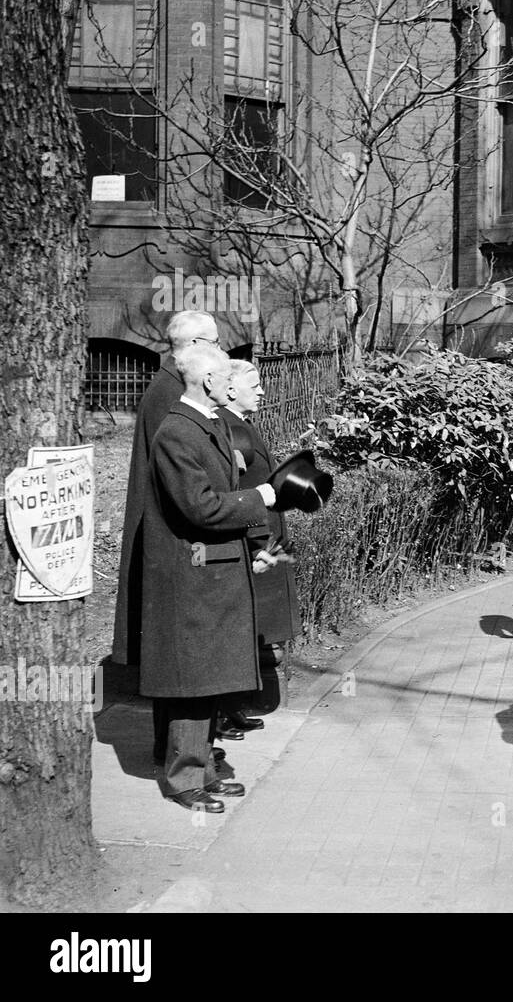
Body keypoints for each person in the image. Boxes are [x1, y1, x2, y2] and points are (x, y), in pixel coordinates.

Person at [140, 345, 278, 813]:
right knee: (192, 679)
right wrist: (259, 497)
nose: (231, 381)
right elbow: (198, 506)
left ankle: (204, 769)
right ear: (207, 380)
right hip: (194, 573)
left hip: (214, 569)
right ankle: (186, 780)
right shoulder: (178, 431)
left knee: (210, 676)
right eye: (224, 374)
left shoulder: (207, 422)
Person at [111, 311, 224, 764]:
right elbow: (184, 478)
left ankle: (188, 749)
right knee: (176, 654)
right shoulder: (173, 391)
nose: (223, 351)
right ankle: (175, 753)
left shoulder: (169, 384)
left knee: (178, 654)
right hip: (174, 539)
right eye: (216, 343)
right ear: (195, 344)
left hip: (175, 533)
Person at [215, 359, 301, 732]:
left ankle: (229, 708)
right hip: (253, 541)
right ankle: (221, 714)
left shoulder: (240, 424)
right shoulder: (230, 429)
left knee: (245, 630)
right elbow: (238, 491)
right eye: (255, 384)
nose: (263, 391)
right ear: (231, 389)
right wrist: (259, 545)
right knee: (235, 630)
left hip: (260, 536)